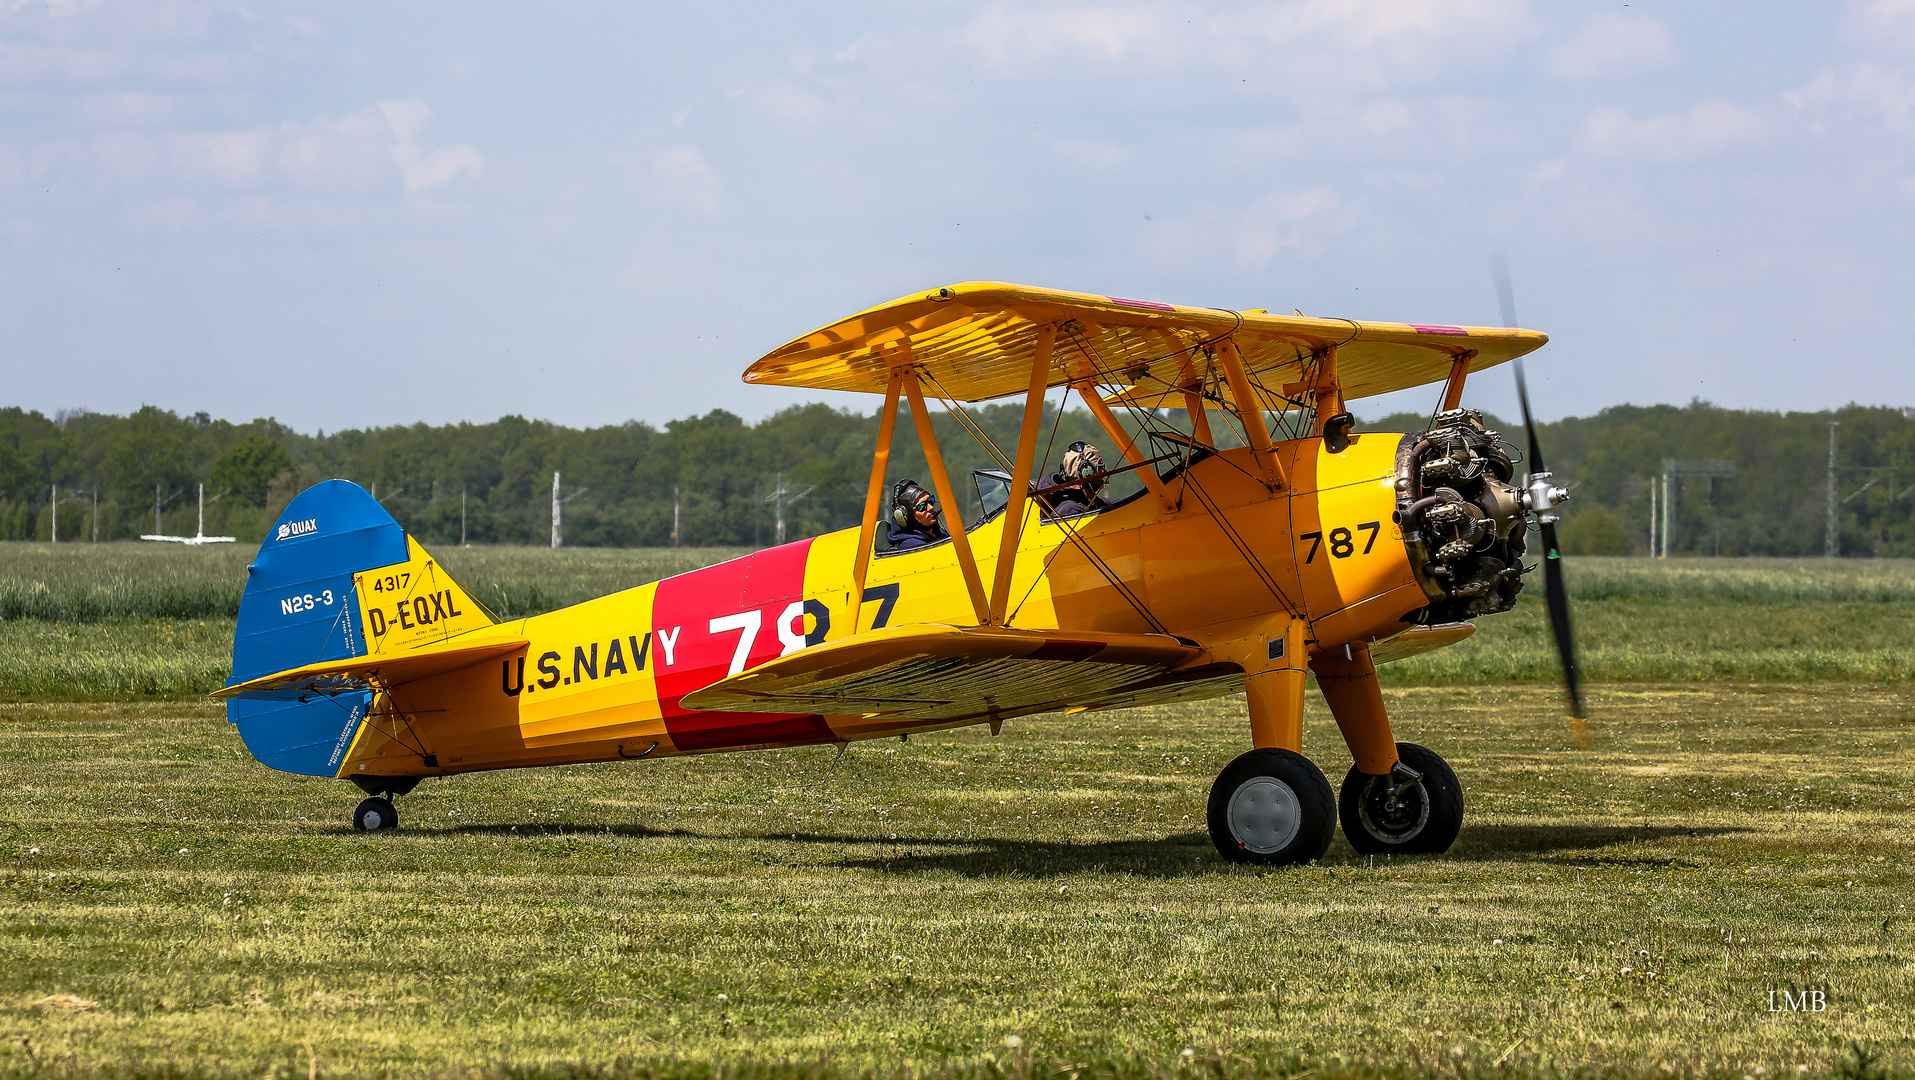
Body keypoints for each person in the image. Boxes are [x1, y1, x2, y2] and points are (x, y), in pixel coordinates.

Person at [1044, 442, 1109, 519]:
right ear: (1087, 472)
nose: (1105, 472)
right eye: (1101, 466)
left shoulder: (1089, 501)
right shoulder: (1070, 510)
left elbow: (1110, 504)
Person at [885, 478, 949, 551]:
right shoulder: (913, 546)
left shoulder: (939, 533)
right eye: (922, 506)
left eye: (931, 500)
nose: (931, 507)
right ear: (906, 516)